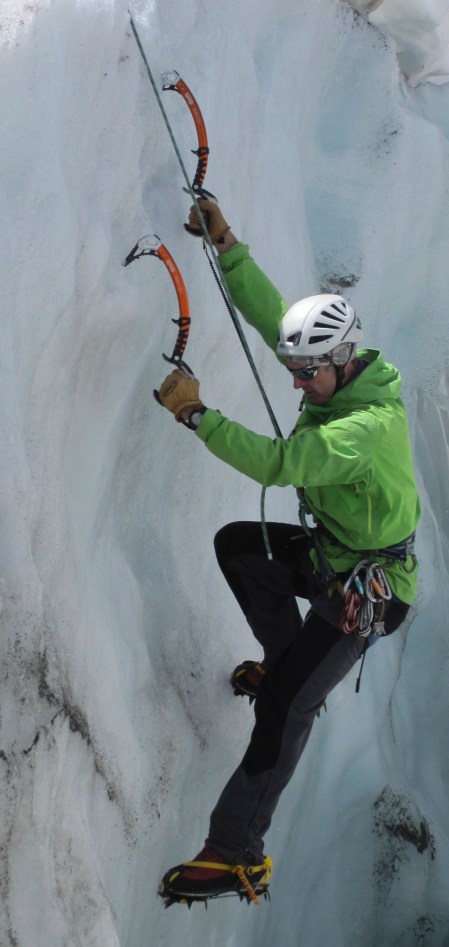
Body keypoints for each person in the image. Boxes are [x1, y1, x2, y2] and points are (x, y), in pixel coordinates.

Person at [156, 199, 421, 905]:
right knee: (240, 548)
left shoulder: (361, 428)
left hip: (367, 597)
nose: (295, 382)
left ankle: (238, 852)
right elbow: (273, 317)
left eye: (305, 374)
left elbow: (278, 464)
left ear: (338, 362)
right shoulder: (338, 372)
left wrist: (195, 415)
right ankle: (284, 662)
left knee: (283, 710)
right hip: (333, 557)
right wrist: (227, 244)